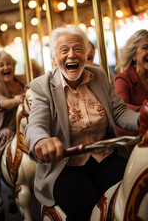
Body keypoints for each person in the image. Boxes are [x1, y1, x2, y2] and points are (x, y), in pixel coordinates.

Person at [25, 25, 140, 221]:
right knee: (86, 211)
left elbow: (119, 111)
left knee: (135, 199)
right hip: (66, 166)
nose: (72, 55)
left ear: (86, 53)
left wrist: (142, 118)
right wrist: (41, 141)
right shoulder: (42, 86)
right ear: (54, 58)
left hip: (106, 157)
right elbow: (36, 123)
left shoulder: (99, 76)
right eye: (64, 50)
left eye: (78, 49)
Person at [0, 51, 26, 166]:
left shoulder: (22, 79)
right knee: (7, 134)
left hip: (23, 122)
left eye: (9, 64)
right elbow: (1, 102)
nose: (6, 67)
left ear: (14, 66)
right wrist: (16, 100)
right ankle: (6, 167)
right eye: (1, 65)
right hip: (4, 126)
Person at [114, 29, 148, 138]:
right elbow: (121, 107)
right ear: (133, 55)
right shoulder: (123, 79)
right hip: (133, 137)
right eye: (145, 48)